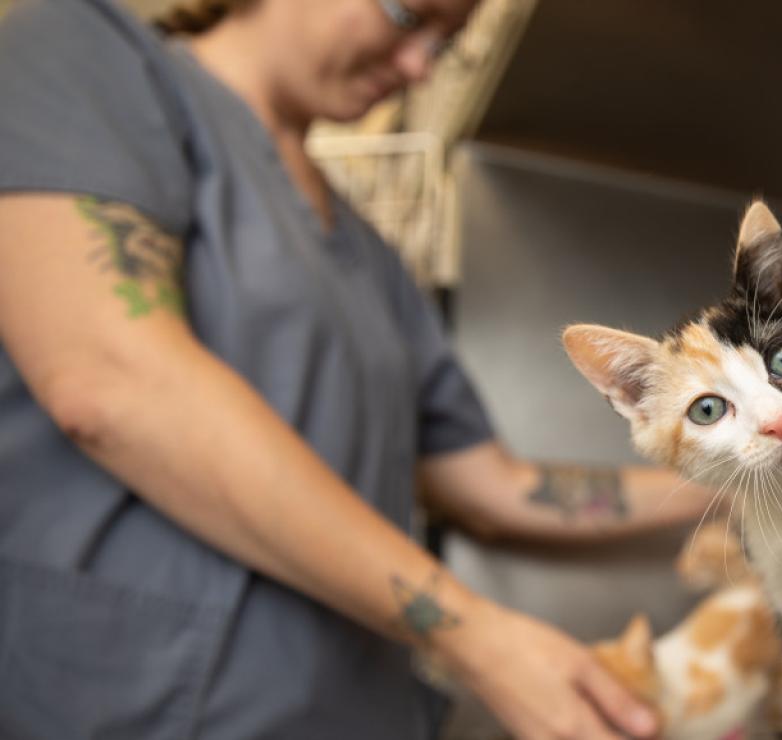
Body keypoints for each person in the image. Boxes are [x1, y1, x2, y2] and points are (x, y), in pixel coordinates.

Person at [0, 0, 716, 737]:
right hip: (135, 708)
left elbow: (493, 487)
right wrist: (469, 629)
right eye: (410, 15)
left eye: (449, 45)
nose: (417, 66)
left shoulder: (374, 263)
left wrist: (732, 476)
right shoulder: (84, 51)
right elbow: (112, 381)